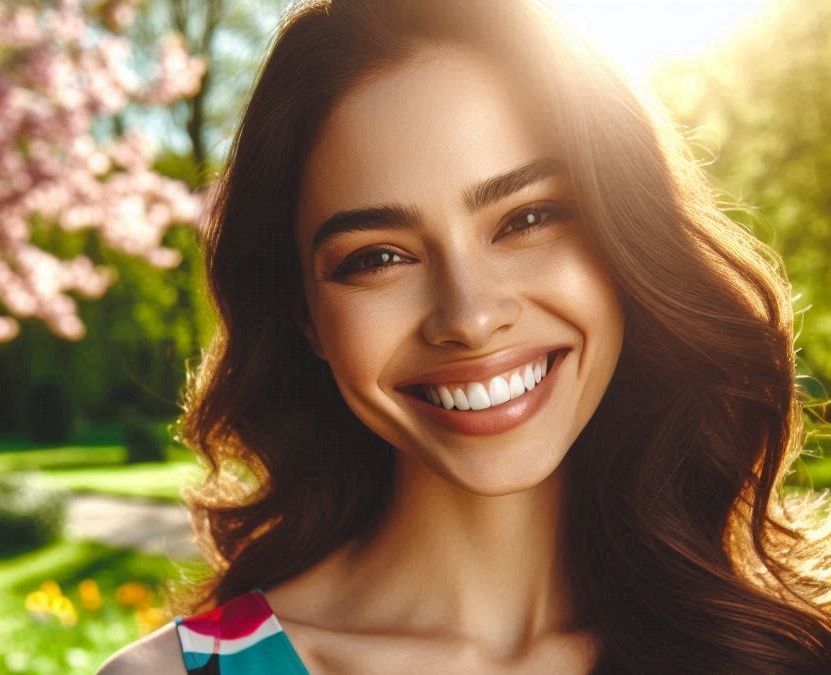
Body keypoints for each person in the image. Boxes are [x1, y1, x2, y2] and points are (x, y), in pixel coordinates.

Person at [99, 0, 831, 673]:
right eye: (378, 257)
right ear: (304, 316)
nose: (470, 316)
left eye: (527, 218)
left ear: (623, 236)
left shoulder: (786, 648)